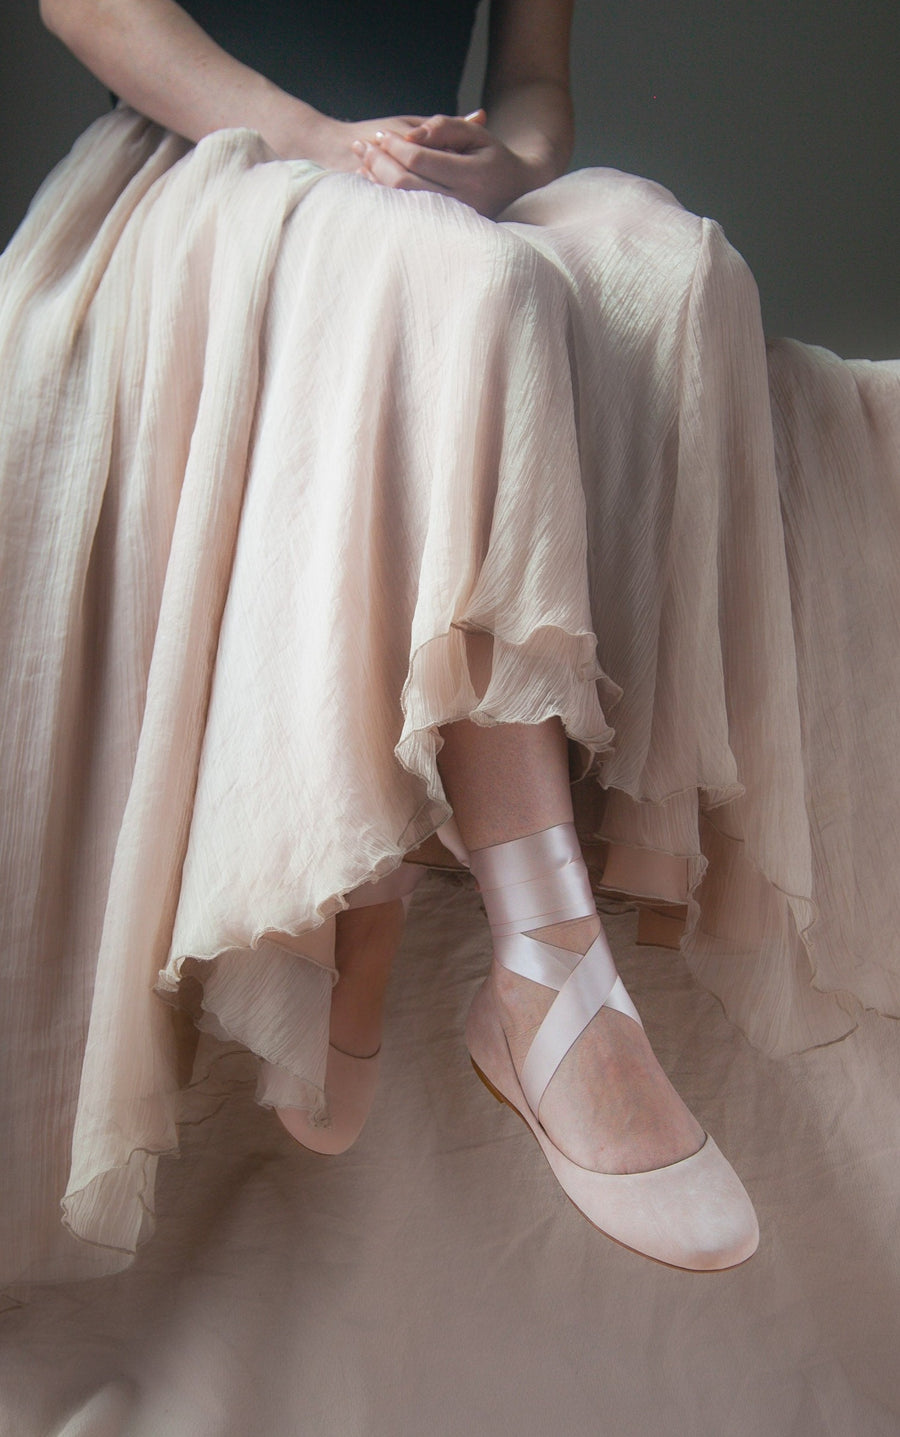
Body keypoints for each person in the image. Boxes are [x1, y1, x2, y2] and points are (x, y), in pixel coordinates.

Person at [1, 0, 787, 1291]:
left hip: (421, 188)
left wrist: (512, 162)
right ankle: (545, 963)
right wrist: (318, 142)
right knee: (457, 284)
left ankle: (396, 916)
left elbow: (535, 86)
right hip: (207, 167)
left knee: (677, 262)